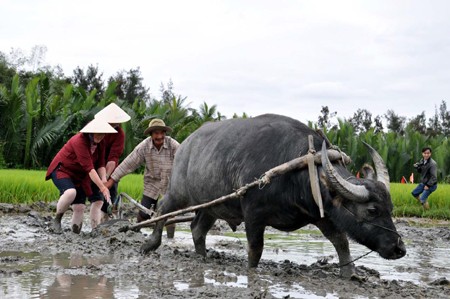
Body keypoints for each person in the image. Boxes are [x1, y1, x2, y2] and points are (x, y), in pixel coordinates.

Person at [104, 118, 179, 237]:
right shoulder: (144, 147)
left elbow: (184, 162)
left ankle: (171, 240)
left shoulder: (173, 145)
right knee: (144, 213)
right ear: (151, 135)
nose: (159, 136)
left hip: (169, 184)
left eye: (161, 133)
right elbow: (128, 163)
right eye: (156, 133)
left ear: (165, 133)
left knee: (170, 213)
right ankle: (135, 235)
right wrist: (111, 181)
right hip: (152, 184)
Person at [46, 118, 117, 233]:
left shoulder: (101, 143)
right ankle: (57, 220)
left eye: (103, 134)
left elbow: (100, 164)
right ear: (91, 132)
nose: (100, 136)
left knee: (80, 207)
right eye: (98, 134)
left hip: (79, 175)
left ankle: (75, 233)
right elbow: (89, 168)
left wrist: (104, 180)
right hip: (62, 170)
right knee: (70, 192)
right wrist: (102, 187)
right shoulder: (79, 141)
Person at [92, 103, 131, 220]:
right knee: (93, 195)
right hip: (93, 165)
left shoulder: (119, 134)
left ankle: (105, 220)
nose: (115, 124)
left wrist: (106, 178)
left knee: (110, 193)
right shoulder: (96, 128)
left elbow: (113, 158)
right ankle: (94, 219)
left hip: (110, 168)